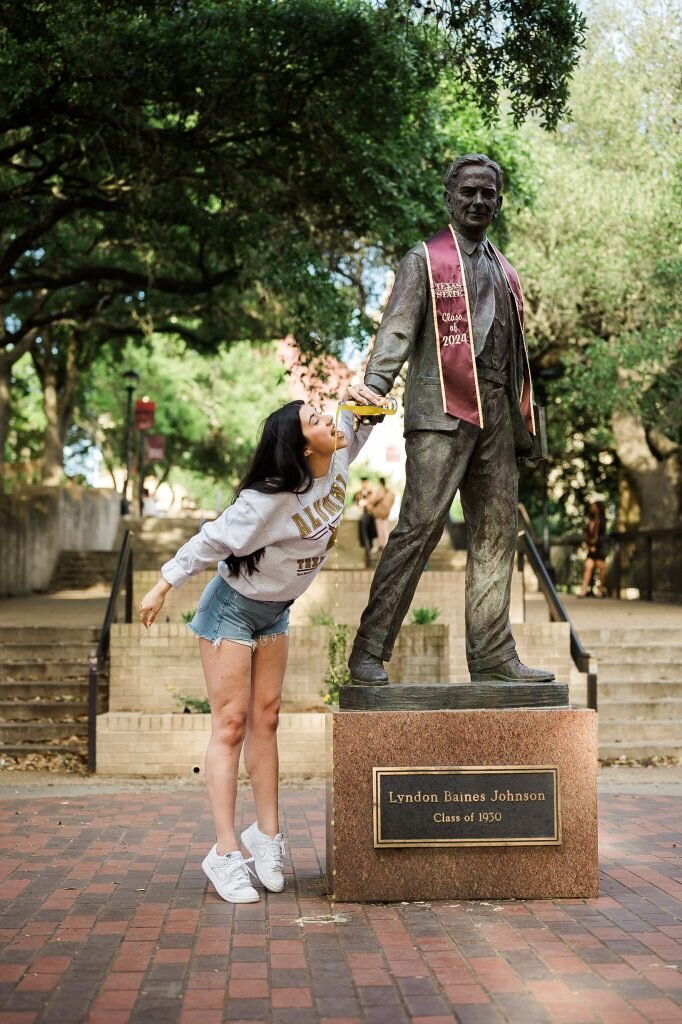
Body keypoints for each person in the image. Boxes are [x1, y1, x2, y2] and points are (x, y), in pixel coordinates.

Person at [138, 385, 387, 903]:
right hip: (230, 609)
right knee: (230, 725)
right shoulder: (265, 503)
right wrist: (162, 586)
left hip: (274, 611)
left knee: (267, 718)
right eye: (317, 421)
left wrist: (370, 397)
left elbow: (365, 406)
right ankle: (225, 854)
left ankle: (267, 838)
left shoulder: (337, 457)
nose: (331, 421)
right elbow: (209, 540)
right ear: (303, 448)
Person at [348, 153, 555, 686]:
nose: (478, 200)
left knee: (496, 533)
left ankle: (491, 655)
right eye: (468, 192)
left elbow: (514, 357)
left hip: (496, 421)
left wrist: (526, 424)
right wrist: (372, 390)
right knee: (418, 529)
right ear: (449, 198)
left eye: (488, 193)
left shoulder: (503, 269)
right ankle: (368, 652)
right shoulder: (425, 260)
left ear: (499, 201)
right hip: (440, 411)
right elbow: (396, 330)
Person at [578, 500, 608, 598]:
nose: (591, 508)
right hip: (591, 548)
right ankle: (584, 589)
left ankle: (601, 589)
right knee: (588, 566)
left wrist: (596, 546)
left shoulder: (602, 520)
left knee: (601, 567)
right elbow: (587, 535)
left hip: (599, 548)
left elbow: (602, 535)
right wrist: (588, 545)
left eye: (593, 506)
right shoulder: (589, 520)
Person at [354, 476, 376, 566]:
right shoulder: (358, 494)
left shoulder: (372, 493)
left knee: (370, 538)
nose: (364, 484)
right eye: (363, 482)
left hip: (370, 517)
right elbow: (355, 505)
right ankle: (367, 559)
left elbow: (374, 505)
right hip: (362, 517)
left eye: (366, 482)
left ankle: (369, 558)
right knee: (364, 539)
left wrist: (367, 503)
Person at [367, 477, 395, 552]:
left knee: (379, 530)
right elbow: (392, 500)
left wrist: (370, 505)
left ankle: (380, 545)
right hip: (385, 514)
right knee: (385, 530)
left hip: (378, 513)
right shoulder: (389, 492)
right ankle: (385, 545)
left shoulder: (378, 490)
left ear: (380, 482)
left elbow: (372, 500)